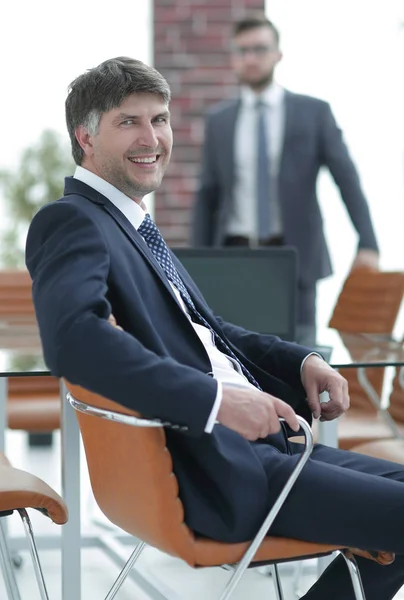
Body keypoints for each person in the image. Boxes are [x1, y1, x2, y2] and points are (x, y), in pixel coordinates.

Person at [25, 57, 404, 600]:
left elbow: (208, 332)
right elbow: (73, 341)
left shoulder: (129, 223)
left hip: (264, 450)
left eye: (159, 119)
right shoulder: (73, 221)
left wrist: (300, 362)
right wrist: (216, 402)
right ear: (85, 137)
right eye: (128, 122)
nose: (151, 137)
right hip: (221, 471)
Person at [191, 13, 379, 330]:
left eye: (260, 49)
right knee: (235, 356)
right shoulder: (219, 120)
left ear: (278, 53)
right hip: (233, 258)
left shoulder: (314, 112)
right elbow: (207, 194)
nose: (251, 58)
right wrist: (194, 266)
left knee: (301, 358)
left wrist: (368, 243)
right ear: (233, 57)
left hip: (295, 258)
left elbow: (346, 179)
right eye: (243, 50)